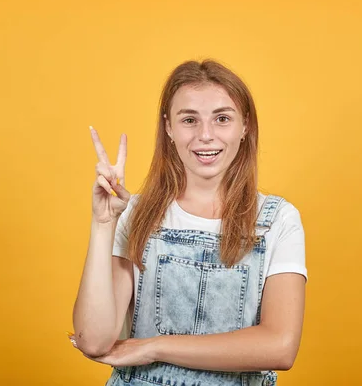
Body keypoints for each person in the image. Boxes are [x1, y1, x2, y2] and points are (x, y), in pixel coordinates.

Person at [69, 59, 307, 386]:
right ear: (168, 127)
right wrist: (103, 223)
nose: (205, 136)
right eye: (189, 120)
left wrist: (154, 347)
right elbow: (94, 340)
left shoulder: (277, 220)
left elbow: (280, 347)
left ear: (245, 126)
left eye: (222, 118)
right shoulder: (136, 214)